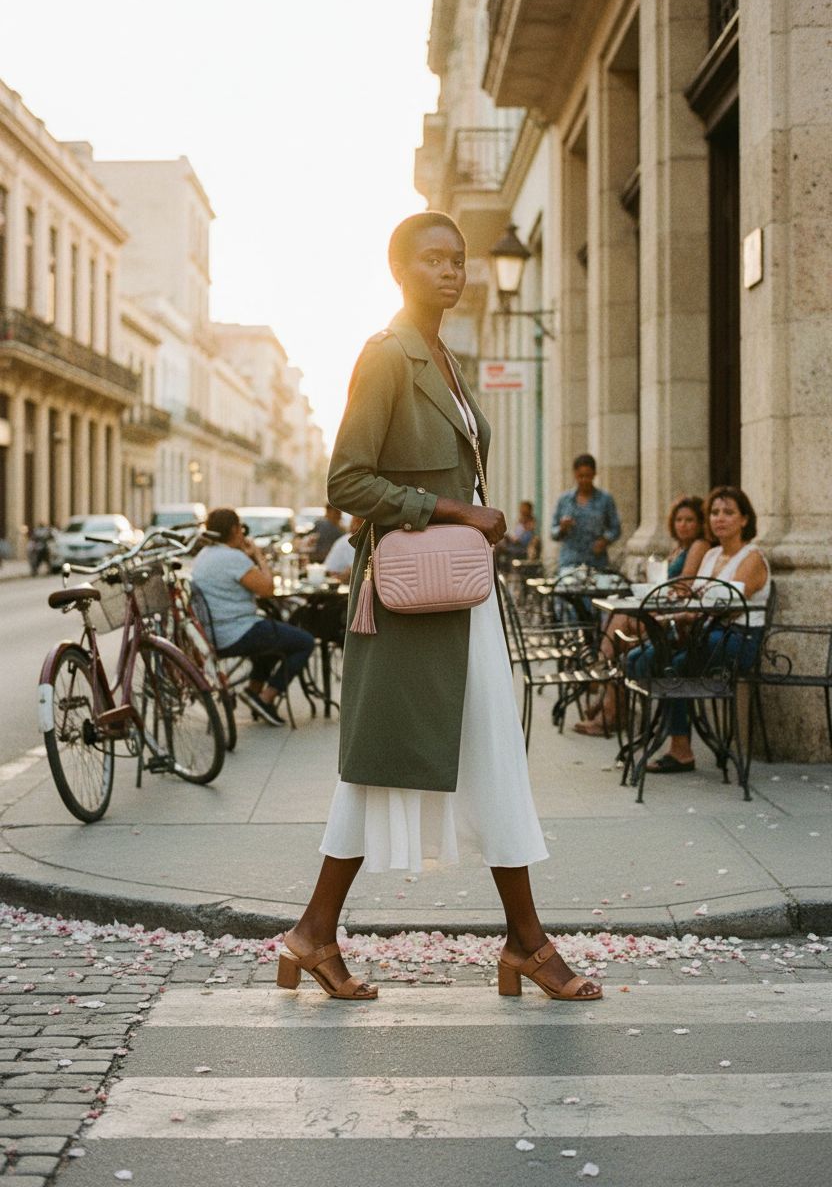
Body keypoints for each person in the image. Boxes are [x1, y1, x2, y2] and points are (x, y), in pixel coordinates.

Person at [277, 211, 601, 1003]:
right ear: (399, 270)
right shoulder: (388, 357)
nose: (451, 271)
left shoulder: (446, 361)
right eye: (433, 259)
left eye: (458, 260)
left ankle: (317, 934)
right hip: (410, 601)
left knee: (468, 758)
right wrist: (457, 514)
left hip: (459, 596)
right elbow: (347, 482)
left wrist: (468, 521)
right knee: (389, 766)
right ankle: (519, 945)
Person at [633, 486, 771, 772]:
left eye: (729, 513)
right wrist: (679, 615)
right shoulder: (711, 555)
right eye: (715, 513)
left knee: (670, 665)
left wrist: (689, 611)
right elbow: (699, 599)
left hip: (737, 640)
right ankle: (664, 733)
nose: (720, 518)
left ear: (744, 519)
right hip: (705, 635)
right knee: (639, 658)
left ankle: (680, 748)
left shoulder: (752, 557)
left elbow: (727, 603)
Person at [574, 494, 710, 737]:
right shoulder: (678, 548)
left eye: (690, 520)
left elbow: (684, 586)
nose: (684, 524)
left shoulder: (699, 546)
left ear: (700, 523)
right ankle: (609, 698)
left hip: (678, 620)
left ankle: (604, 684)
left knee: (620, 626)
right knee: (620, 629)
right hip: (666, 612)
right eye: (679, 519)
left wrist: (660, 593)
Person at [191, 507, 314, 727]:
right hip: (236, 632)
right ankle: (267, 697)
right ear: (234, 530)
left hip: (214, 633)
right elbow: (268, 589)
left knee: (274, 635)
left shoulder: (205, 555)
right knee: (304, 641)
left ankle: (253, 692)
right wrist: (257, 555)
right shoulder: (232, 558)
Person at [551, 455, 620, 571]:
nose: (584, 480)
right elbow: (553, 531)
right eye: (580, 476)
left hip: (597, 562)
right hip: (570, 562)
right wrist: (562, 528)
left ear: (594, 474)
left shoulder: (605, 499)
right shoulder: (564, 500)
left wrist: (605, 540)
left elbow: (615, 528)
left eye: (588, 476)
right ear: (575, 475)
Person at [497, 499, 538, 566]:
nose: (522, 511)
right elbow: (516, 536)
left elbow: (523, 539)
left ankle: (496, 568)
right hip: (515, 545)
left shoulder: (531, 523)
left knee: (499, 547)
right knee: (498, 544)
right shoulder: (520, 521)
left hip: (522, 548)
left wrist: (513, 539)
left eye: (524, 509)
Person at [323, 515, 362, 582]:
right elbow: (355, 568)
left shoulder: (351, 538)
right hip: (332, 578)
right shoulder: (350, 540)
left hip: (335, 577)